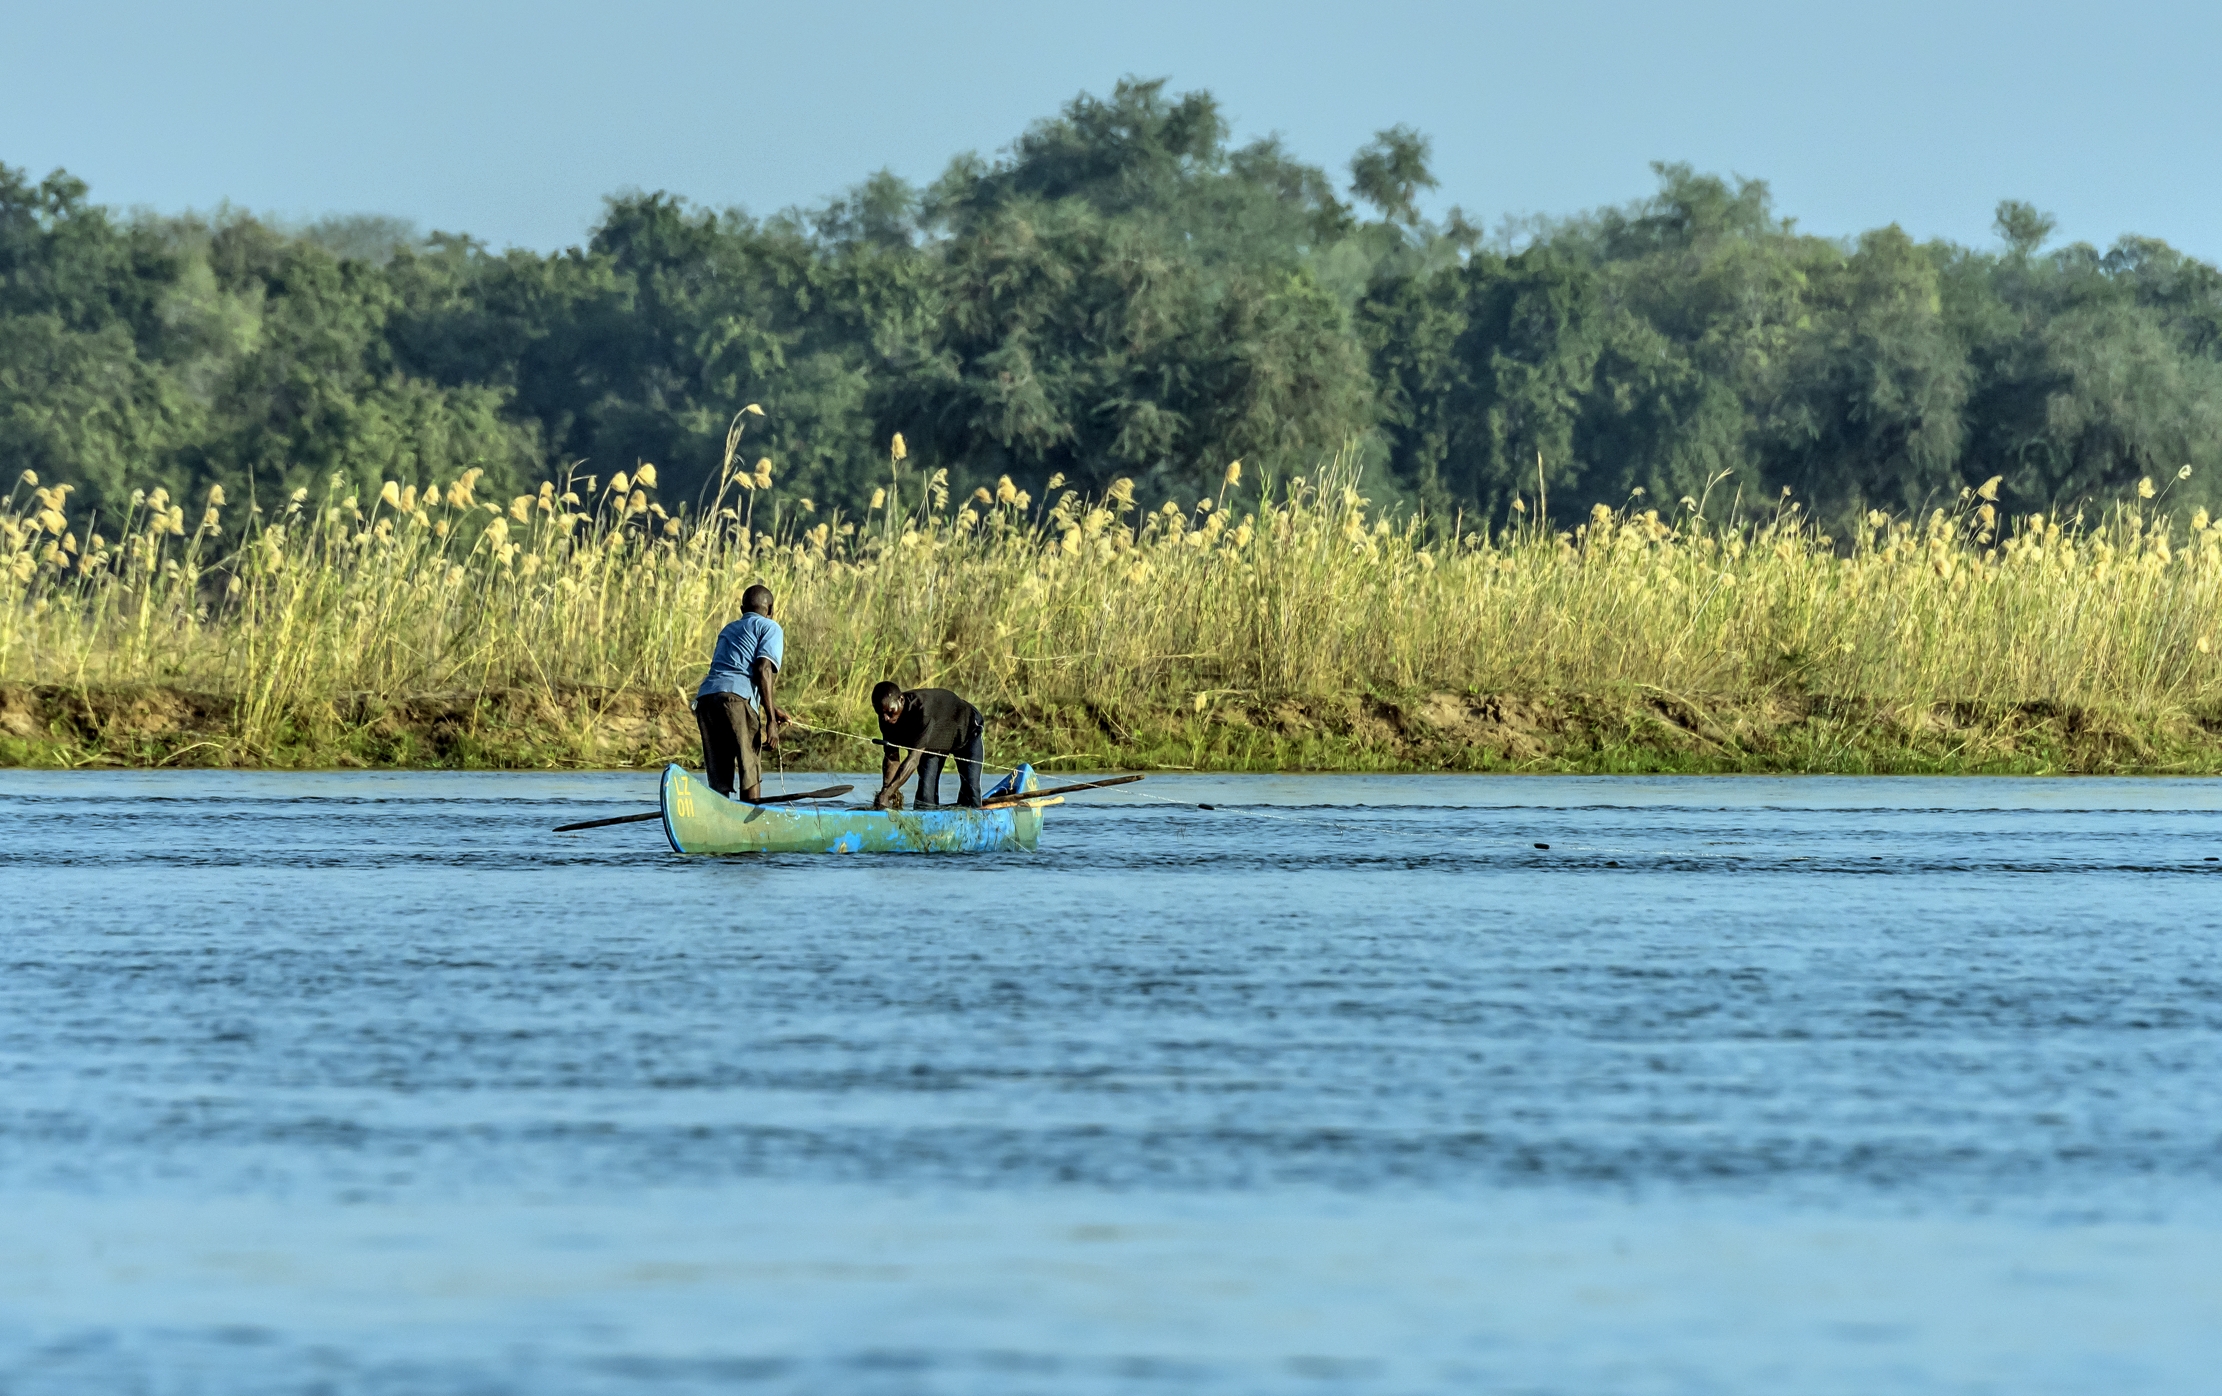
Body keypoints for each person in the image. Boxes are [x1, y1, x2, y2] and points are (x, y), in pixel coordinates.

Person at [695, 584, 786, 802]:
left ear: (741, 608)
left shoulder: (728, 629)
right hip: (736, 700)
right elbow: (763, 668)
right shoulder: (770, 627)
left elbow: (729, 672)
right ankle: (749, 823)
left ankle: (721, 817)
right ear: (770, 609)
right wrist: (771, 722)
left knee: (719, 773)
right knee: (749, 766)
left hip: (707, 699)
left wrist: (770, 707)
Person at [871, 682, 985, 809]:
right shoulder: (885, 718)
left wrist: (888, 793)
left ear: (901, 700)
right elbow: (892, 757)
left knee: (971, 790)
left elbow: (913, 760)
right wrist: (886, 790)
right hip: (935, 742)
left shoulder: (922, 710)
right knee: (925, 796)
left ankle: (972, 816)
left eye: (890, 712)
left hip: (966, 731)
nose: (886, 718)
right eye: (880, 714)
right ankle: (928, 821)